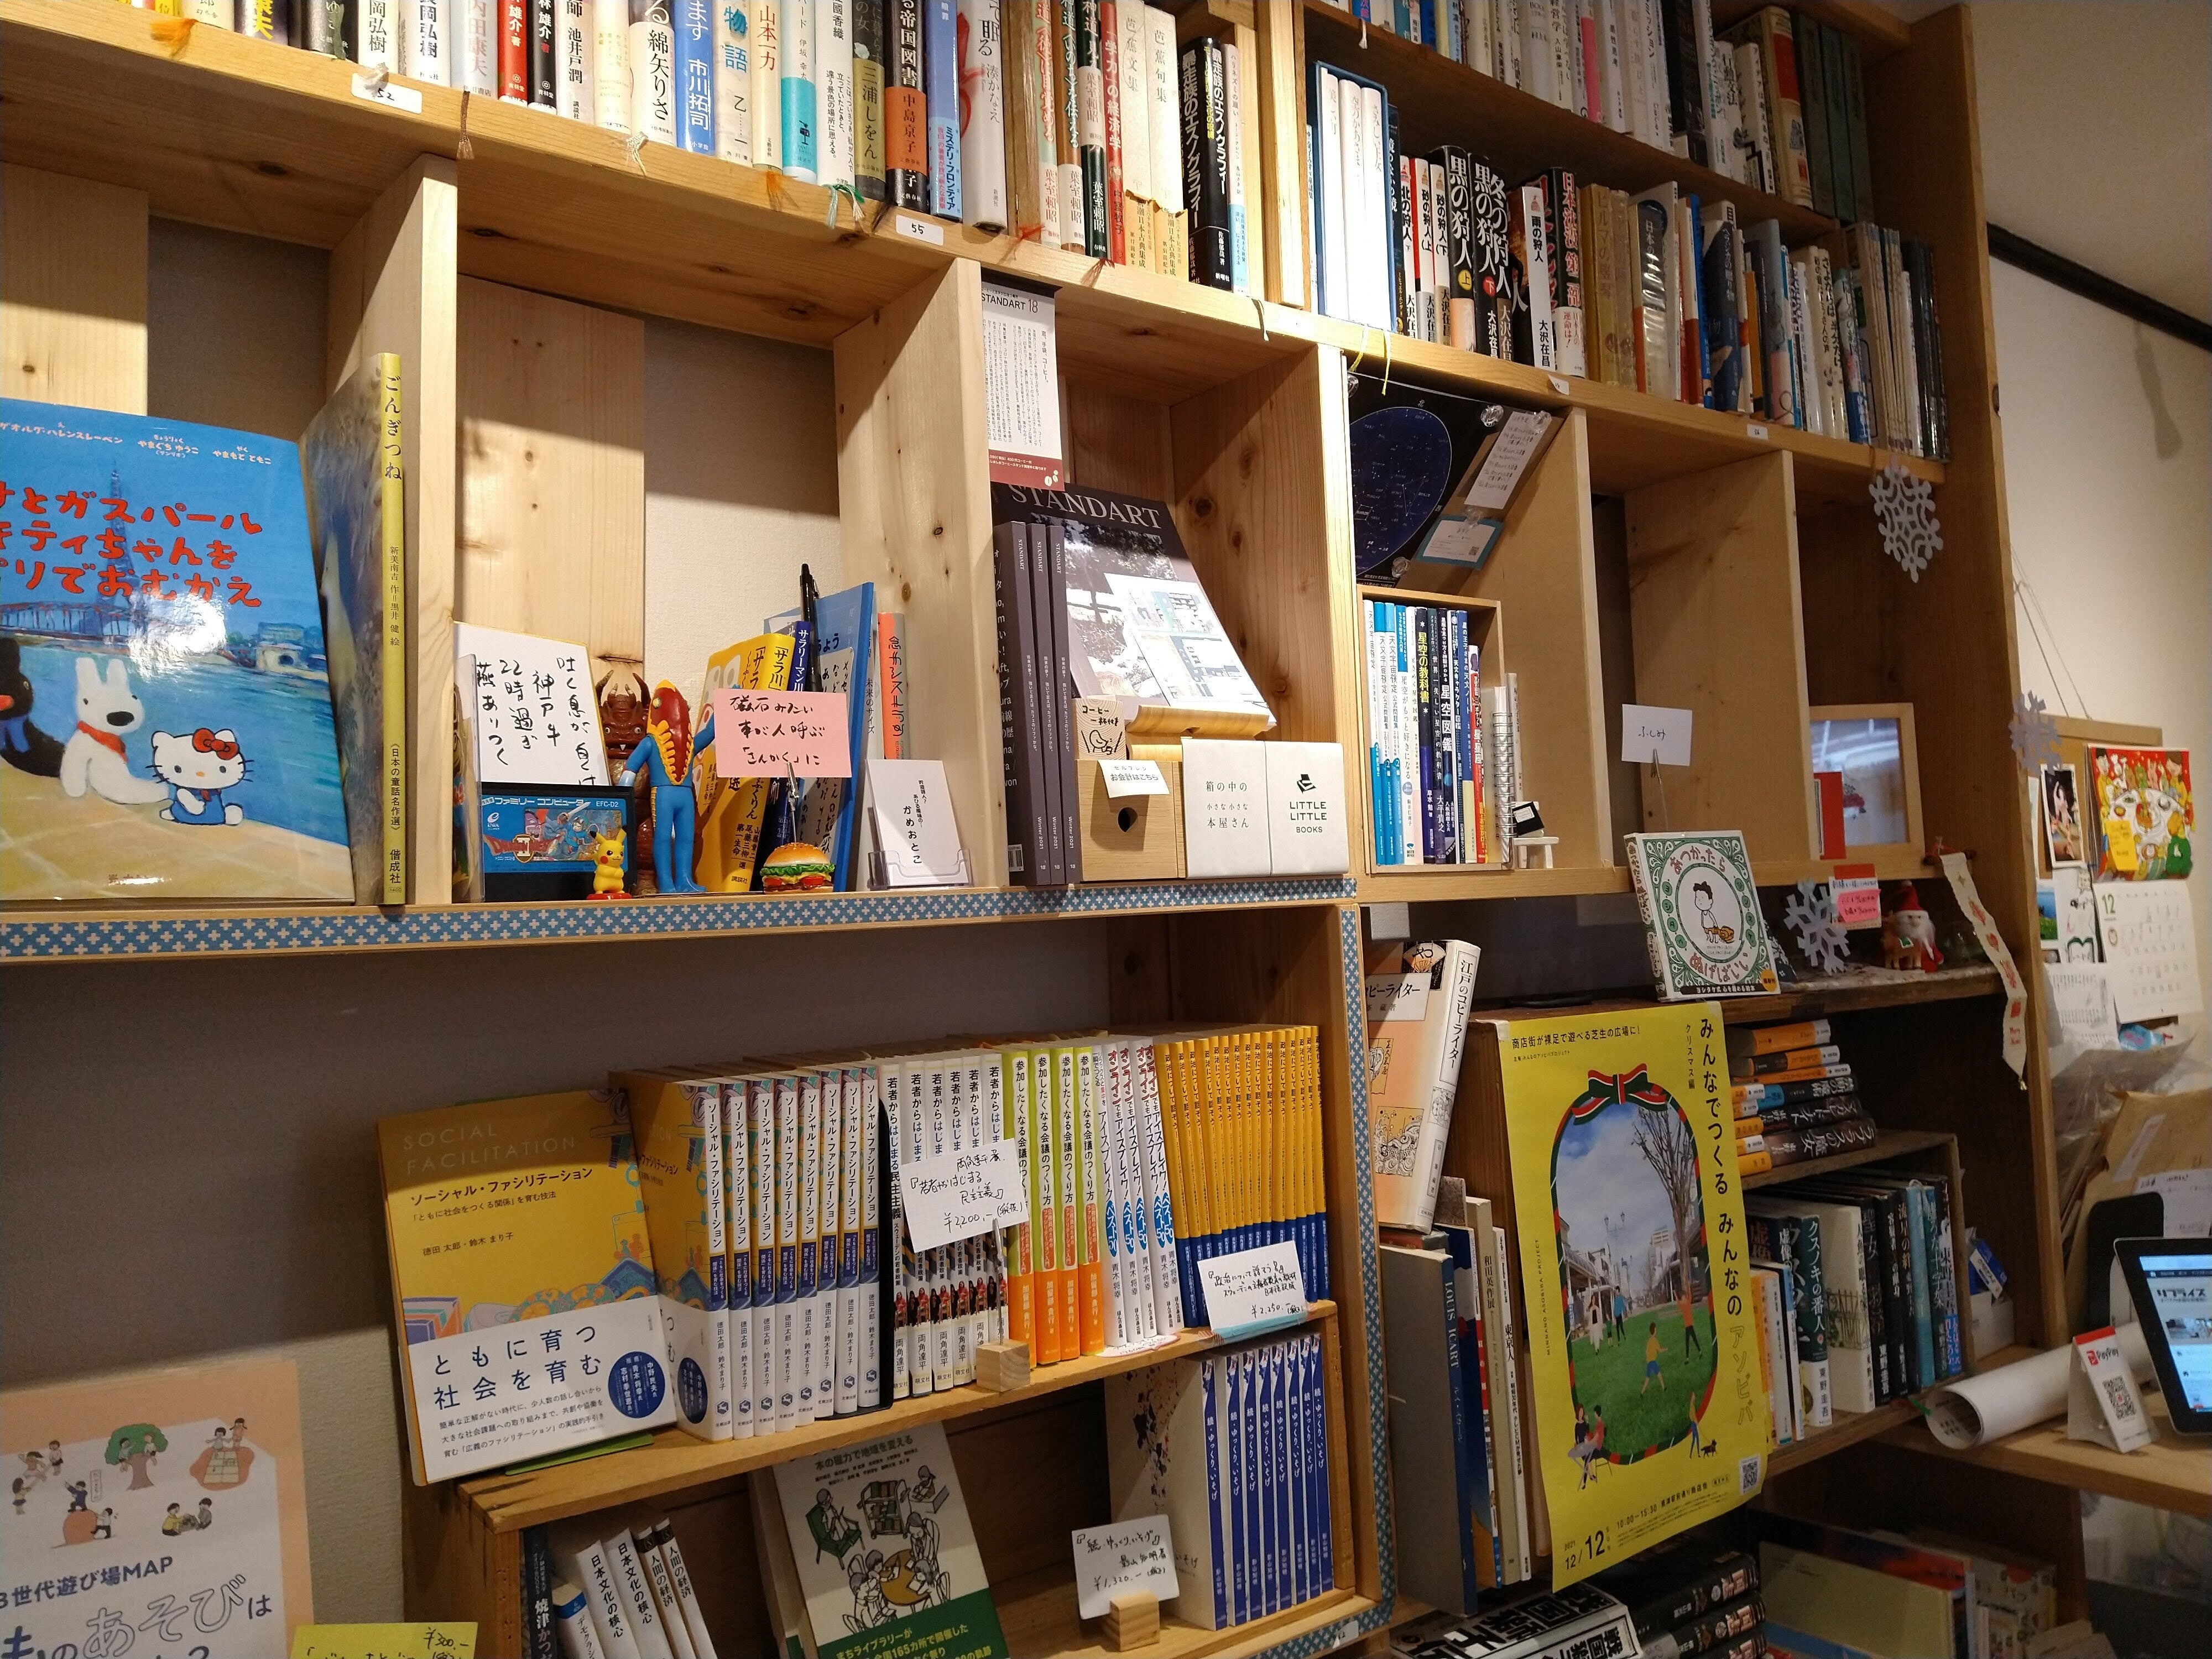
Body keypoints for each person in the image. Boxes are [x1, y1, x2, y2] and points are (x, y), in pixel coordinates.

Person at [1642, 1322, 1666, 1393]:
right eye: (1656, 1329)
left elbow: (1647, 1351)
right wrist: (1666, 1349)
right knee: (1659, 1375)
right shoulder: (1654, 1340)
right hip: (1653, 1362)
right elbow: (1660, 1350)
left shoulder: (1650, 1340)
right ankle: (1664, 1388)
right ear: (1655, 1330)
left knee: (1648, 1378)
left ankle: (1642, 1393)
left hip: (1649, 1362)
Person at [1680, 1290, 1703, 1355]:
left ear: (1686, 1298)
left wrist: (1689, 1290)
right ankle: (1688, 1356)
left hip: (1690, 1325)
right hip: (1687, 1326)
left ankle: (1699, 1351)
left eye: (1684, 1297)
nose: (1683, 1299)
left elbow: (1690, 1296)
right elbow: (1678, 1302)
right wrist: (1675, 1294)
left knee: (1693, 1339)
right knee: (1688, 1341)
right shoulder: (1682, 1306)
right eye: (1682, 1298)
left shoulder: (1688, 1303)